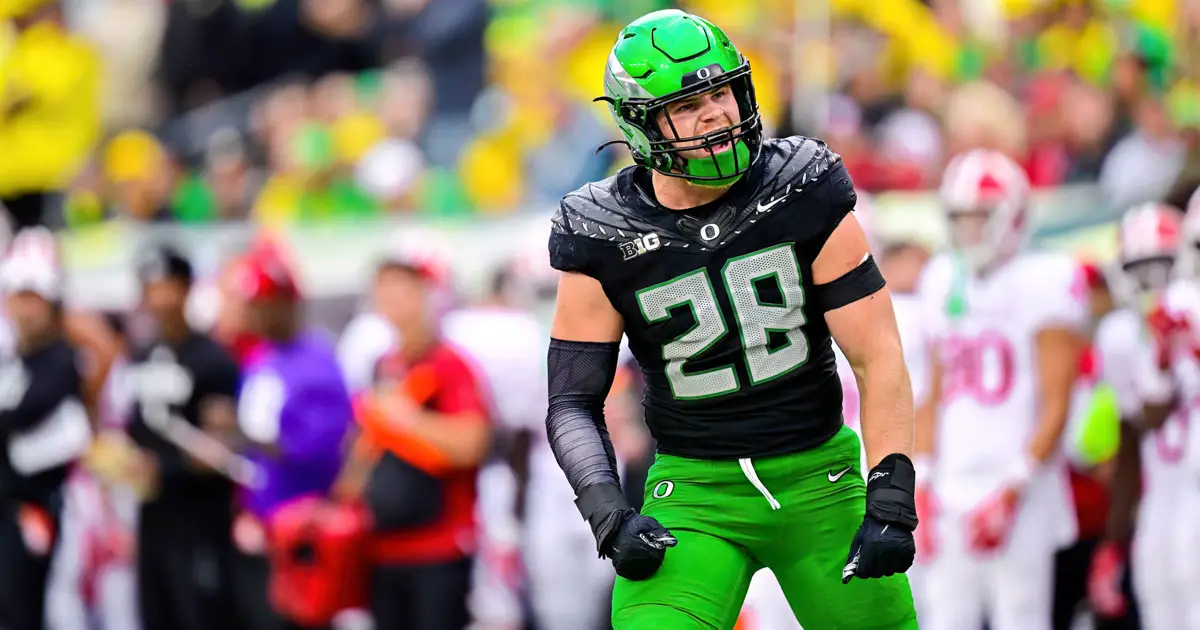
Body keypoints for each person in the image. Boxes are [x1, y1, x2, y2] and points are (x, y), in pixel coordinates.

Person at [544, 9, 920, 629]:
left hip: (818, 478)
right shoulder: (602, 230)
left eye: (721, 91)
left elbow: (877, 353)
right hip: (696, 493)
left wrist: (891, 490)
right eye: (689, 104)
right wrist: (607, 510)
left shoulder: (802, 185)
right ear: (640, 125)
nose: (716, 113)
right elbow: (571, 402)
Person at [915, 150, 1088, 630]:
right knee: (944, 619)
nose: (970, 230)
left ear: (1012, 216)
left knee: (1020, 616)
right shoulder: (942, 278)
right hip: (952, 483)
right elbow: (934, 391)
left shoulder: (1044, 280)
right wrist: (922, 481)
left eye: (981, 217)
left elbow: (1057, 402)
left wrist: (1014, 486)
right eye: (961, 218)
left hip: (1019, 484)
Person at [228, 238, 354, 630]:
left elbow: (323, 452)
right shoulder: (259, 358)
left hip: (302, 534)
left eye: (264, 305)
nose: (257, 315)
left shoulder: (317, 362)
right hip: (259, 525)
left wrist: (246, 435)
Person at [122, 245, 243, 630]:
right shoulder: (142, 356)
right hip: (153, 517)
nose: (157, 299)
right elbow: (136, 427)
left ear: (187, 288)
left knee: (201, 615)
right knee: (156, 614)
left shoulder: (213, 360)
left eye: (166, 287)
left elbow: (220, 450)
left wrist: (164, 469)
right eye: (149, 288)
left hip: (199, 519)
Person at [1088, 203, 1185, 630]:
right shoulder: (1121, 335)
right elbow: (1133, 433)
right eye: (1139, 268)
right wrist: (1114, 539)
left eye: (1162, 266)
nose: (1151, 282)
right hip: (1163, 500)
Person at [0, 227, 91, 630]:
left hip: (45, 506)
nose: (24, 309)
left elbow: (22, 415)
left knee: (36, 606)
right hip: (10, 508)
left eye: (32, 298)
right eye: (18, 297)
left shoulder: (59, 359)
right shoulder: (14, 360)